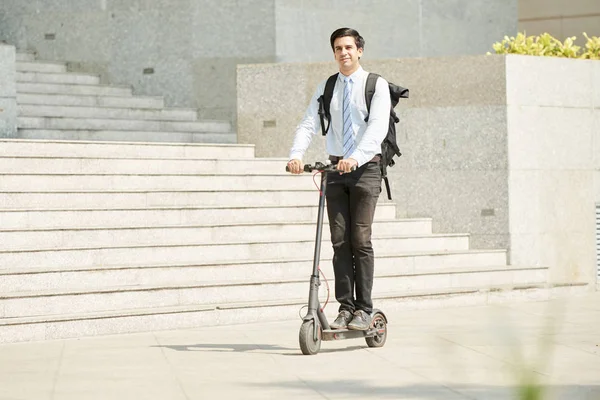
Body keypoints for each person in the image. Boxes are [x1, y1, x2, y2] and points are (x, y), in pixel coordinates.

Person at [287, 27, 390, 330]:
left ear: (360, 50)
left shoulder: (376, 85)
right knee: (339, 241)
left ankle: (365, 309)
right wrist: (296, 155)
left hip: (366, 169)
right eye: (337, 48)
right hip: (335, 170)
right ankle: (346, 308)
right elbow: (308, 122)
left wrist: (355, 158)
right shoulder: (327, 86)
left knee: (360, 239)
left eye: (348, 47)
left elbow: (377, 129)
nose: (343, 53)